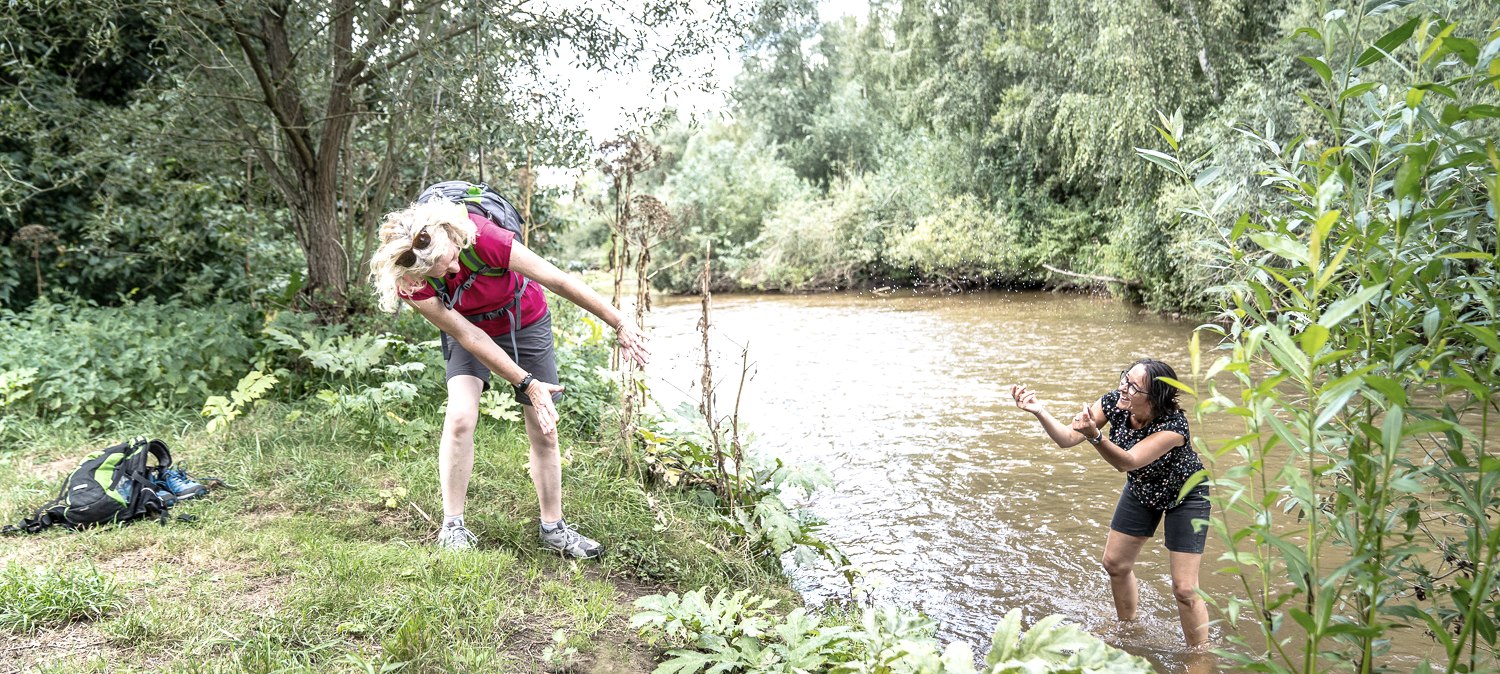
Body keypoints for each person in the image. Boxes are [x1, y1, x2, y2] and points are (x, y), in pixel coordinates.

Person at [368, 197, 649, 557]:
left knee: (544, 425)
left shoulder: (485, 237)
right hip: (468, 327)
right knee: (459, 417)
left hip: (524, 319)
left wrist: (619, 321)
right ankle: (452, 527)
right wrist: (526, 383)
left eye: (451, 257)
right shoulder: (408, 277)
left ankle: (554, 528)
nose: (453, 269)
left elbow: (557, 280)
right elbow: (469, 336)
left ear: (453, 236)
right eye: (440, 269)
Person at [1010, 359, 1210, 646]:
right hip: (1143, 488)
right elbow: (1067, 438)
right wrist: (1038, 410)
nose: (1122, 388)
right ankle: (1128, 628)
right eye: (1124, 379)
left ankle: (1200, 654)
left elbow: (1127, 462)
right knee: (1115, 563)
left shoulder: (1173, 426)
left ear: (1154, 397)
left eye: (1132, 386)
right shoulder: (1113, 402)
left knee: (1185, 588)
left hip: (1186, 495)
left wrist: (1096, 436)